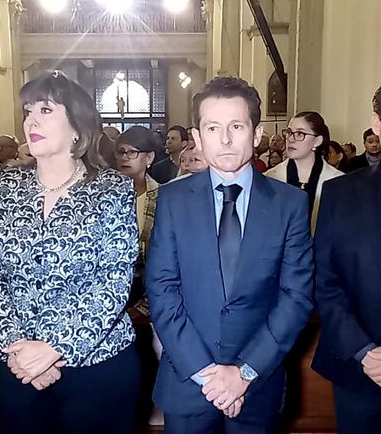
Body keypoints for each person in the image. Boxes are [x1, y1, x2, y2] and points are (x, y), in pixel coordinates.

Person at [0, 71, 140, 434]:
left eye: (45, 110)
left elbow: (113, 282)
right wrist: (15, 346)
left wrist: (53, 350)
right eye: (28, 110)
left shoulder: (112, 189)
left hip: (95, 365)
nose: (31, 119)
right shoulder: (6, 184)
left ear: (77, 127)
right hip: (17, 365)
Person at [146, 77, 314, 433]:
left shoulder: (290, 204)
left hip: (258, 385)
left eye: (236, 126)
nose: (224, 139)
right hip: (189, 384)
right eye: (213, 127)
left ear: (255, 134)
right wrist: (209, 375)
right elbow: (162, 290)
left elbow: (295, 296)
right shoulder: (173, 201)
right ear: (198, 136)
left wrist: (244, 373)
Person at [312, 85, 381, 433]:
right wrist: (364, 351)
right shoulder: (341, 193)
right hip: (361, 370)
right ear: (377, 124)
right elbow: (325, 281)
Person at [265, 112, 343, 232]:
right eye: (289, 132)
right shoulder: (270, 178)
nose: (290, 139)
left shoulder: (338, 181)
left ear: (317, 141)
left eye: (300, 134)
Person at [114, 125, 158, 306]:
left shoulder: (163, 197)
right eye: (121, 151)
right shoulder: (105, 196)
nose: (125, 157)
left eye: (132, 152)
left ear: (149, 157)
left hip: (149, 291)